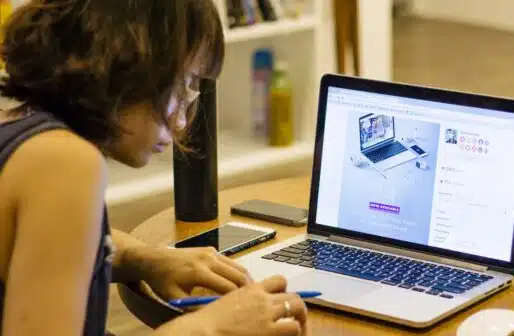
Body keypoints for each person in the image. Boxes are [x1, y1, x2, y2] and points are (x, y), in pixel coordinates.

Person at [0, 1, 307, 335]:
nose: (180, 121)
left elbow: (48, 248)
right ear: (129, 63)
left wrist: (146, 258)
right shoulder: (65, 163)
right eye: (183, 84)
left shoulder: (19, 126)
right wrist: (210, 327)